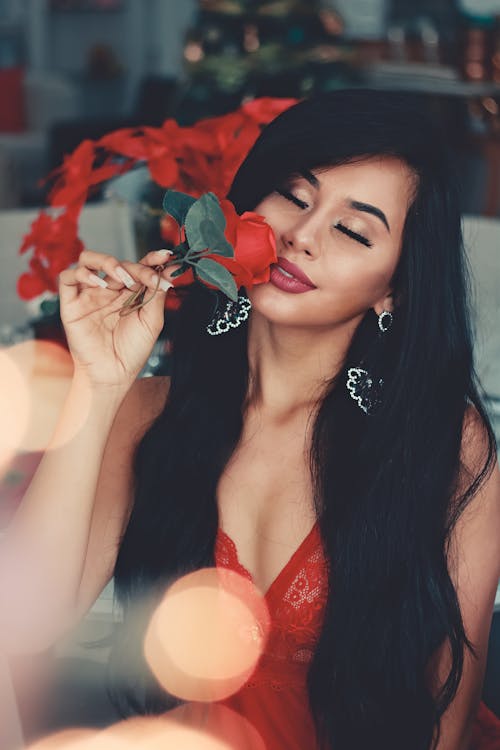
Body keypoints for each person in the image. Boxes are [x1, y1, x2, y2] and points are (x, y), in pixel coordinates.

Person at [2, 89, 500, 750]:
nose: (302, 235)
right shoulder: (150, 414)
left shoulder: (447, 447)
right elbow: (23, 621)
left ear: (393, 287)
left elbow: (445, 724)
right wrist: (98, 387)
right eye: (294, 196)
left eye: (353, 230)